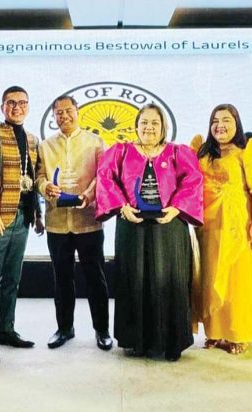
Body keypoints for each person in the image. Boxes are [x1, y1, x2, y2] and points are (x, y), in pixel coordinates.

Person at [96, 103, 203, 361]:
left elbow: (194, 180)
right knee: (135, 279)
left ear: (163, 126)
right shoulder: (121, 152)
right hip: (131, 225)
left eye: (155, 123)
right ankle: (136, 340)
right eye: (144, 122)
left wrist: (177, 208)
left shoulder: (178, 152)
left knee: (170, 281)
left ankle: (170, 341)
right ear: (136, 126)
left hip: (170, 227)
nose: (149, 127)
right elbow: (105, 177)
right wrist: (122, 206)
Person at [194, 104, 252, 355]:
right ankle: (215, 333)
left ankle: (239, 334)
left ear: (237, 123)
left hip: (240, 231)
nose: (220, 126)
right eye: (215, 121)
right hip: (209, 230)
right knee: (210, 281)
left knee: (239, 284)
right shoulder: (202, 154)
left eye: (226, 120)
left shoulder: (247, 152)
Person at [35, 95, 112, 351]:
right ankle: (64, 328)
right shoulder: (45, 146)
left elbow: (103, 176)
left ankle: (102, 330)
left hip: (88, 221)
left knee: (95, 278)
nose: (63, 116)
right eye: (58, 112)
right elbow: (39, 176)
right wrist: (46, 186)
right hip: (57, 222)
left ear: (78, 111)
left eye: (68, 111)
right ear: (53, 116)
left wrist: (88, 195)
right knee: (62, 278)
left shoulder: (95, 142)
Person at [0, 86, 44, 363]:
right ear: (2, 106)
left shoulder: (33, 139)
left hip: (23, 218)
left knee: (12, 280)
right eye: (11, 103)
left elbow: (32, 179)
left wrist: (37, 216)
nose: (17, 107)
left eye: (23, 103)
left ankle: (6, 330)